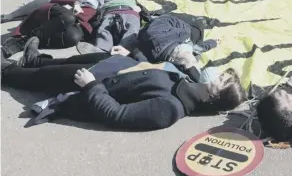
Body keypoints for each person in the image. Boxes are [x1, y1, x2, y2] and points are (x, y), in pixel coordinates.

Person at [1, 39, 247, 131]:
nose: (216, 73)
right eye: (224, 74)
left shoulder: (170, 109)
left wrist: (90, 86)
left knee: (41, 77)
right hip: (114, 64)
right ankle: (32, 59)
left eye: (221, 79)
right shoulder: (192, 84)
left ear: (213, 97)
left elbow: (117, 115)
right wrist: (132, 55)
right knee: (63, 61)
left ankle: (6, 70)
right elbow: (152, 71)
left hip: (94, 83)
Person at [1, 0, 95, 57]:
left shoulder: (99, 10)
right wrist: (74, 2)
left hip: (77, 25)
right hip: (61, 13)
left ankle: (30, 43)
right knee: (68, 17)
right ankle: (22, 42)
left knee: (73, 37)